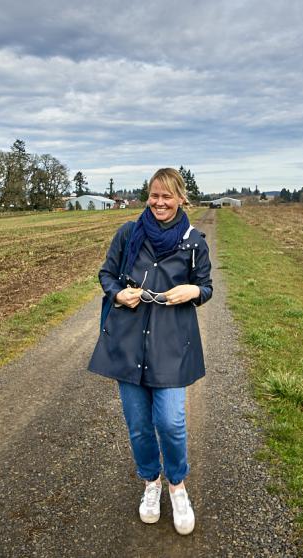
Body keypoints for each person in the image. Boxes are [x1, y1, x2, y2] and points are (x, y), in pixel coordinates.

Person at [88, 167, 213, 535]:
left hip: (171, 344)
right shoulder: (128, 234)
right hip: (127, 342)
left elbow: (206, 287)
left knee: (171, 422)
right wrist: (117, 294)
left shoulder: (194, 242)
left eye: (167, 196)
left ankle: (177, 485)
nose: (160, 202)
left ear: (181, 199)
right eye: (154, 195)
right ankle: (151, 482)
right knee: (139, 426)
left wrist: (193, 291)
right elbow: (106, 274)